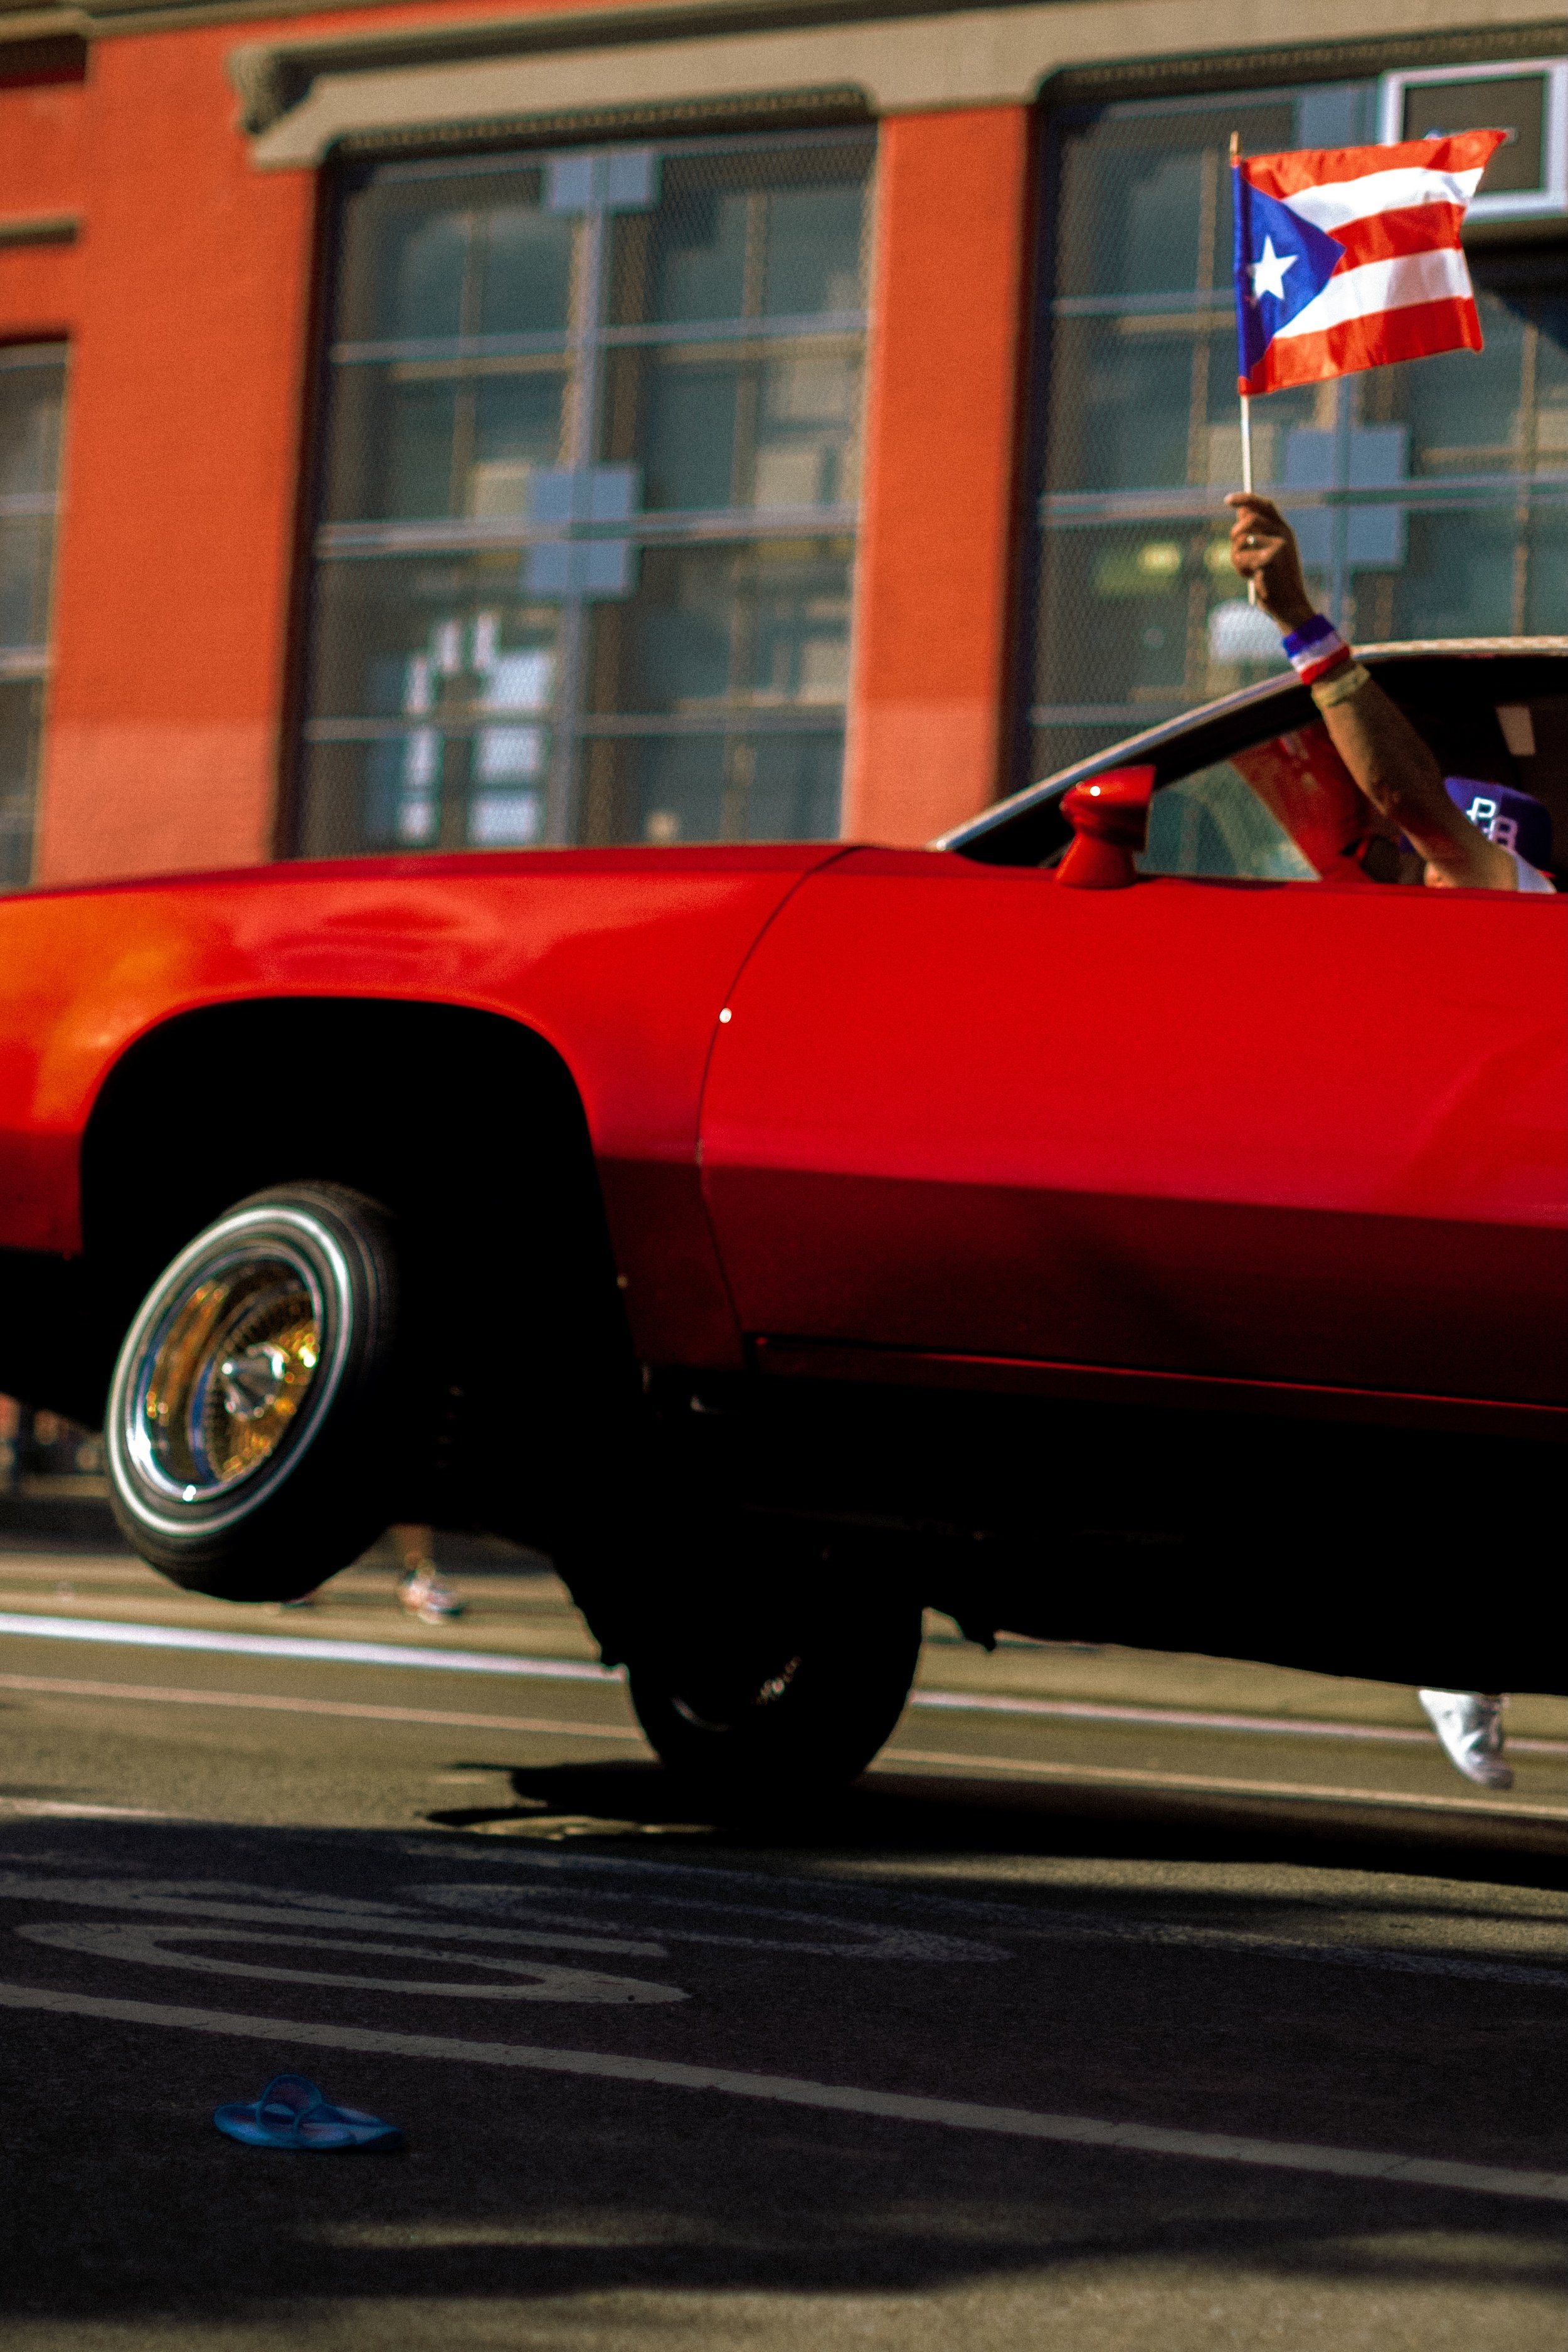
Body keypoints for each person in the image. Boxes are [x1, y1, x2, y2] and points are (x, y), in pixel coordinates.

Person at [1224, 492, 1555, 894]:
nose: (1434, 874)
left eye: (1449, 854)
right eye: (1421, 857)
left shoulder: (1528, 902)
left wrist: (1298, 619)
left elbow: (1402, 796)